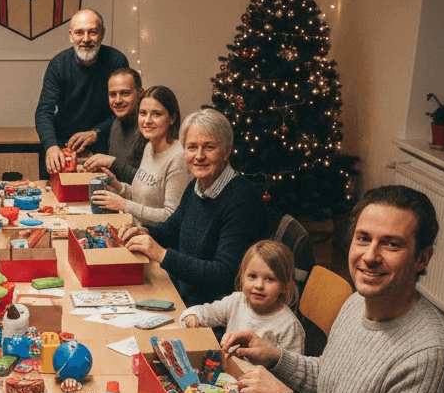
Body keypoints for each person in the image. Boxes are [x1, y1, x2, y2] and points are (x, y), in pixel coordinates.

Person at [224, 185, 444, 393]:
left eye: (391, 244)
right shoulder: (357, 302)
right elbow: (333, 376)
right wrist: (276, 357)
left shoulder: (432, 356)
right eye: (363, 239)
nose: (370, 256)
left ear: (422, 258)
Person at [121, 108, 268, 306]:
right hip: (184, 292)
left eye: (208, 147)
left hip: (214, 310)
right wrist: (143, 232)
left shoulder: (242, 201)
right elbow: (172, 228)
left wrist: (161, 254)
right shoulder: (196, 185)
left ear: (226, 149)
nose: (199, 156)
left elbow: (223, 275)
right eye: (191, 147)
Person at [35, 9, 129, 174]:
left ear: (102, 34)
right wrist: (51, 146)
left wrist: (96, 132)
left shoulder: (116, 61)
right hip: (64, 142)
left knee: (99, 195)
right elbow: (44, 111)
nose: (86, 39)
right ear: (71, 35)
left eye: (92, 32)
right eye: (79, 33)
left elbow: (126, 109)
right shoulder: (58, 65)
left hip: (104, 140)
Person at [90, 85, 191, 226]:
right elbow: (143, 199)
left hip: (156, 241)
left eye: (156, 114)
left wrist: (124, 205)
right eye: (143, 113)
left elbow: (171, 216)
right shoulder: (149, 146)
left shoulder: (178, 158)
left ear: (172, 118)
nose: (147, 120)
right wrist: (119, 186)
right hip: (134, 230)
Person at [180, 240, 304, 354]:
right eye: (252, 276)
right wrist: (194, 316)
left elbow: (294, 374)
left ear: (285, 286)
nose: (259, 285)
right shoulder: (236, 301)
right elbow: (209, 312)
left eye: (270, 279)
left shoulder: (289, 327)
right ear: (242, 277)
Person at [83, 68, 148, 183]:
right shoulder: (115, 124)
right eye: (112, 94)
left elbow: (149, 183)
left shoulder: (148, 128)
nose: (117, 100)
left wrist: (112, 162)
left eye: (125, 93)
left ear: (140, 94)